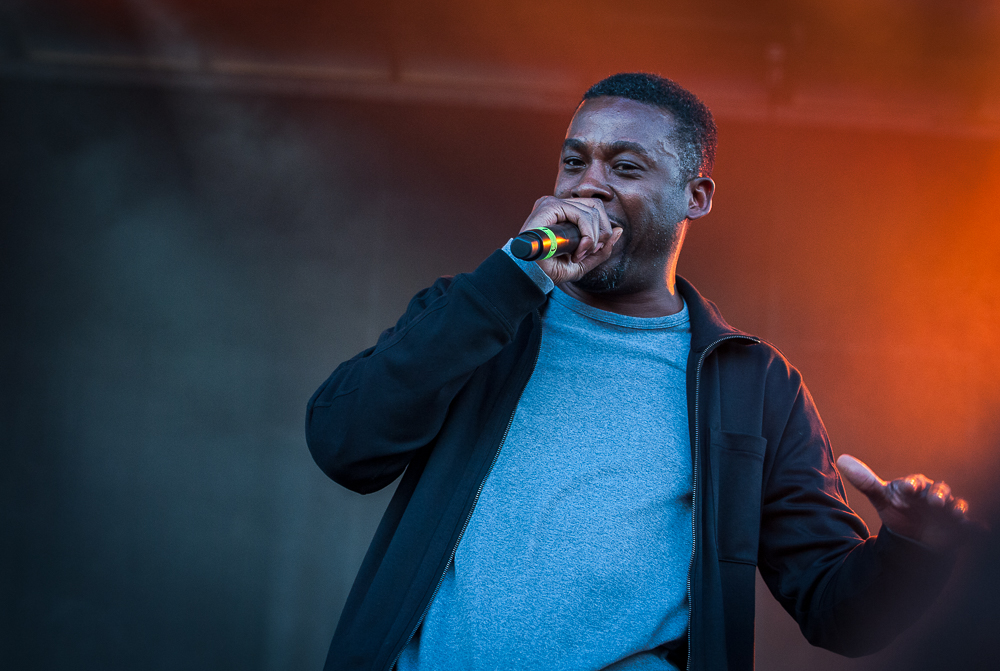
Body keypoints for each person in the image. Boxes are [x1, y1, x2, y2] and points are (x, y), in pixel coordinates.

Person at [305, 73, 971, 671]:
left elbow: (837, 611)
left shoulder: (752, 383)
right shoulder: (477, 314)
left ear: (696, 196)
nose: (589, 183)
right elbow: (344, 445)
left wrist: (910, 546)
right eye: (574, 161)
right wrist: (509, 279)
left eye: (625, 165)